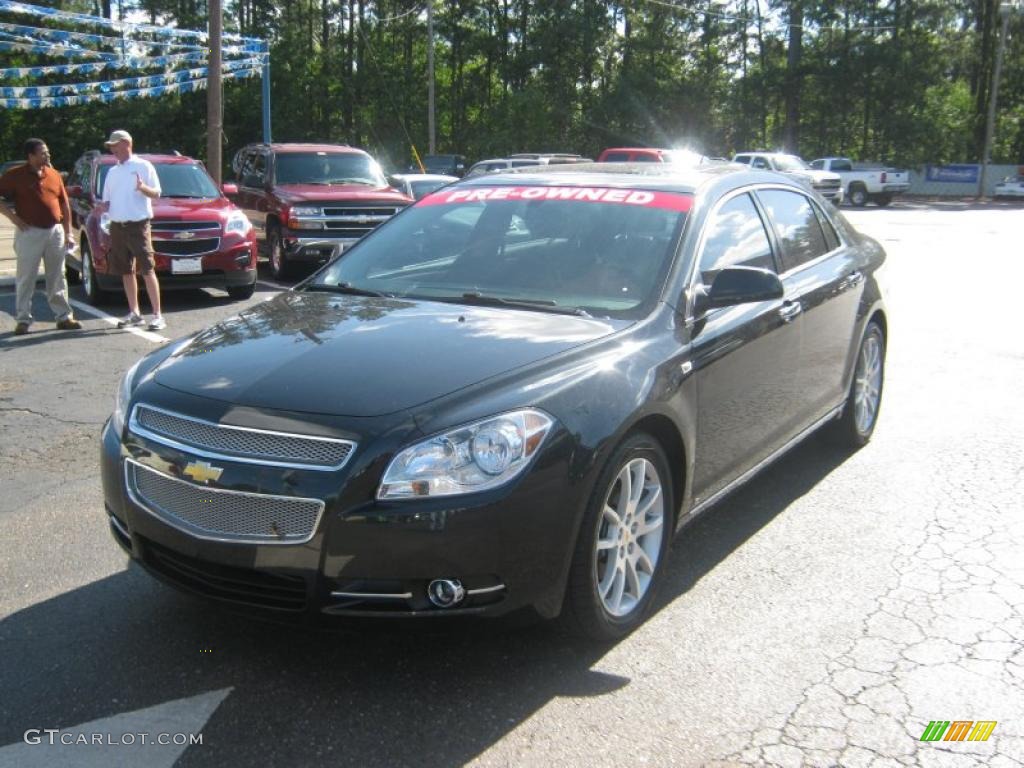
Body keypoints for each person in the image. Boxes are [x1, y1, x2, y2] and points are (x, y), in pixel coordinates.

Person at [0, 138, 82, 335]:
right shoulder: (15, 176)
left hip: (55, 231)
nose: (48, 156)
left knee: (58, 275)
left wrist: (69, 232)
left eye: (47, 152)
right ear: (31, 156)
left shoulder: (53, 174)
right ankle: (23, 319)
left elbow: (64, 204)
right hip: (29, 233)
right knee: (26, 277)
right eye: (43, 153)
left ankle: (63, 317)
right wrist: (14, 219)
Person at [94, 129, 165, 331]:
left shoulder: (144, 166)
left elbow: (157, 193)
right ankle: (134, 312)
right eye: (111, 146)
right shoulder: (112, 172)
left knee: (147, 268)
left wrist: (143, 188)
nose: (112, 149)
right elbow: (107, 202)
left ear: (126, 144)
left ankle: (157, 315)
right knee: (126, 270)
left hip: (138, 225)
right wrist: (101, 208)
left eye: (115, 145)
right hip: (118, 226)